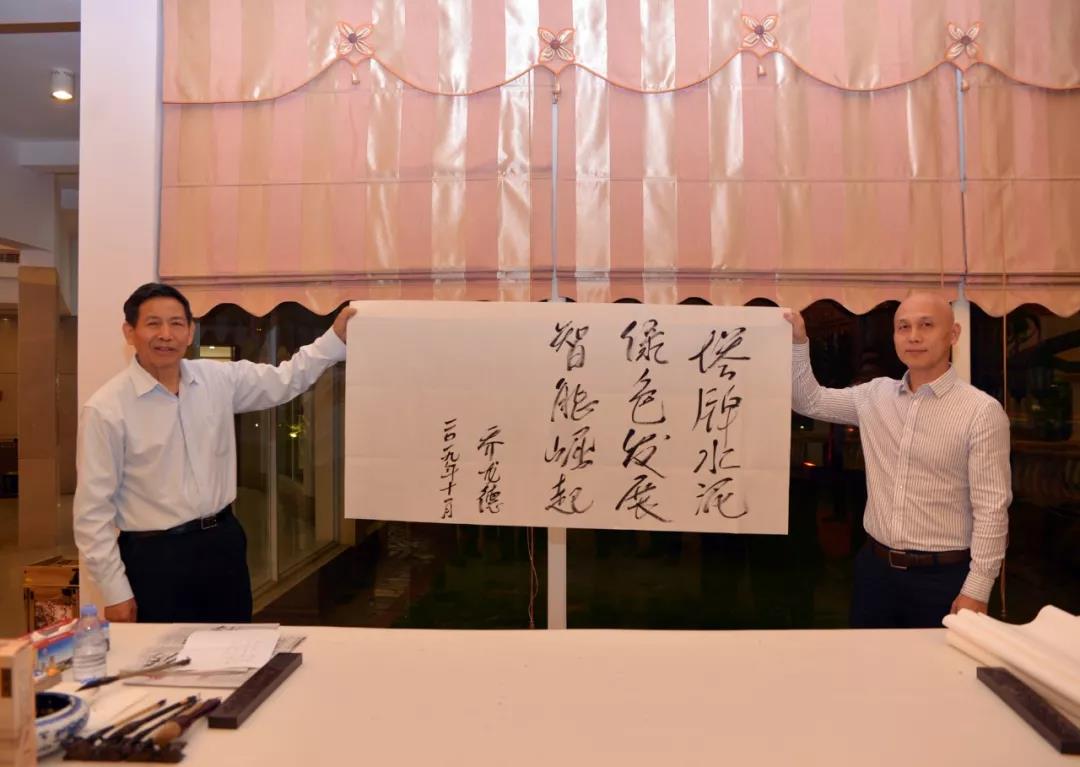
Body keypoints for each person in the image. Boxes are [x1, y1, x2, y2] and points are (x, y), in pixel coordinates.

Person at [73, 283, 357, 623]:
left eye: (176, 323)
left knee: (235, 645)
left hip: (222, 544)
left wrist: (334, 339)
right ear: (129, 332)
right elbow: (92, 512)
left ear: (190, 331)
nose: (166, 335)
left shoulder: (216, 378)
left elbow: (285, 379)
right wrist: (116, 592)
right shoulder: (106, 409)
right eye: (153, 324)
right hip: (155, 558)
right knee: (164, 654)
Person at [785, 292, 1011, 628]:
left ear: (953, 334)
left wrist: (977, 588)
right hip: (875, 573)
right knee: (868, 661)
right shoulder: (875, 396)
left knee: (936, 664)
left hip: (943, 578)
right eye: (903, 327)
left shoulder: (981, 412)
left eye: (926, 325)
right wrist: (798, 343)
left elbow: (992, 507)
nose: (913, 336)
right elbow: (810, 401)